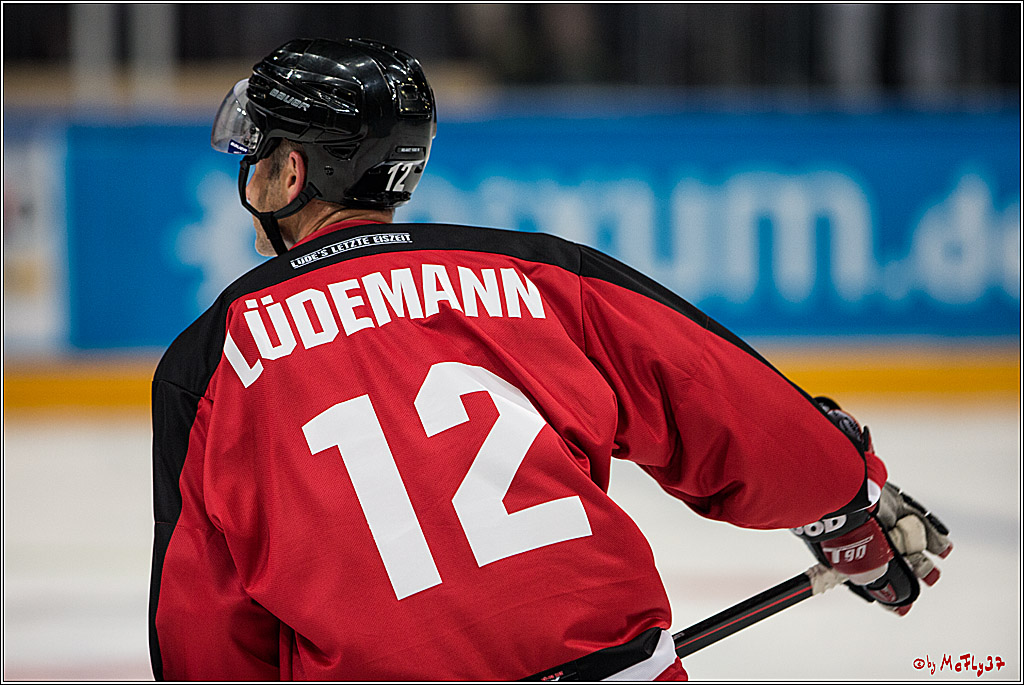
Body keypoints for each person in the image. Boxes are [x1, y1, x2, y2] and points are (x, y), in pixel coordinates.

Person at [149, 37, 952, 681]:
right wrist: (843, 499)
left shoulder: (207, 363)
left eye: (255, 159)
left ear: (290, 173)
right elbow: (724, 404)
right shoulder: (537, 273)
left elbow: (203, 629)